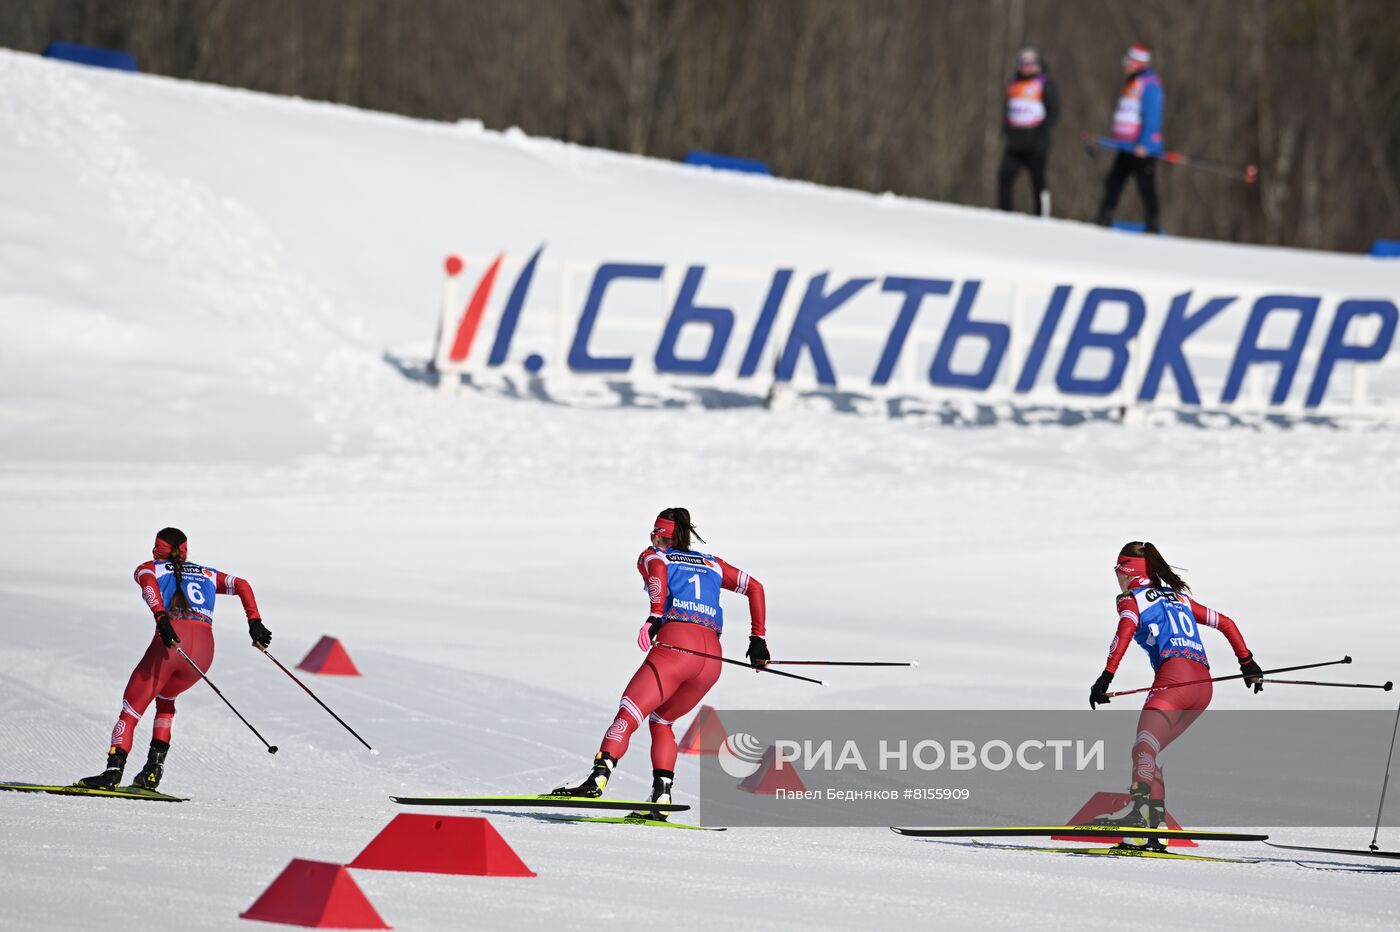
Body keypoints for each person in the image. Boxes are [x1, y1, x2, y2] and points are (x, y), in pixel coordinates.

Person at [551, 508, 768, 819]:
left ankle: (597, 779)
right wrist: (758, 640)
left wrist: (654, 617)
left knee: (630, 710)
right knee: (662, 721)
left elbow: (657, 576)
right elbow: (755, 587)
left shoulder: (654, 555)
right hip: (711, 661)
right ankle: (661, 797)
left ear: (664, 535)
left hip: (675, 647)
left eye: (657, 534)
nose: (653, 539)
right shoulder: (714, 564)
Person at [1087, 541, 1262, 848]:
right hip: (1202, 689)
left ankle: (1137, 814)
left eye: (1117, 570)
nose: (1116, 577)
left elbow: (1124, 632)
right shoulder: (1179, 598)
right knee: (1150, 753)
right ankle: (1155, 831)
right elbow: (1226, 623)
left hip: (1173, 680)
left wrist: (1105, 677)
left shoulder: (1133, 600)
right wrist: (1247, 663)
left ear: (1128, 572)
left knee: (1143, 750)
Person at [76, 528, 270, 790]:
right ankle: (152, 773)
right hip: (202, 655)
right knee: (166, 701)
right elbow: (242, 584)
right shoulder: (208, 573)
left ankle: (112, 772)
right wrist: (254, 622)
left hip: (170, 645)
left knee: (131, 708)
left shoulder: (148, 568)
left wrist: (161, 617)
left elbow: (148, 589)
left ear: (157, 548)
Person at [1095, 43, 1165, 233]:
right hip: (1126, 146)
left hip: (1142, 149)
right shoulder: (1131, 82)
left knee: (1145, 187)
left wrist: (1145, 144)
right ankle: (1104, 217)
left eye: (1129, 62)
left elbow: (1153, 116)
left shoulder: (1150, 83)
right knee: (1114, 181)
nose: (1125, 66)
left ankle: (1153, 223)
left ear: (1137, 63)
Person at [997, 47, 1059, 215]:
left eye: (1030, 63)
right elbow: (1007, 111)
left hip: (1035, 142)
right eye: (1023, 63)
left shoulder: (1044, 83)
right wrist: (1006, 132)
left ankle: (1042, 215)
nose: (1026, 67)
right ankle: (1004, 213)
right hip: (1015, 142)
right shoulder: (1013, 84)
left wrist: (1042, 135)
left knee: (1038, 182)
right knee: (1004, 177)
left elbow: (1054, 112)